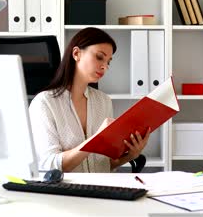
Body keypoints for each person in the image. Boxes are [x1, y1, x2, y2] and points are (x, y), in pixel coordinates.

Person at [29, 27, 150, 173]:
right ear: (76, 53)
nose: (104, 66)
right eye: (99, 57)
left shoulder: (104, 101)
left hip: (102, 190)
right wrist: (96, 140)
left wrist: (130, 155)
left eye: (108, 62)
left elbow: (103, 164)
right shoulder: (44, 103)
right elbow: (50, 166)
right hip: (65, 192)